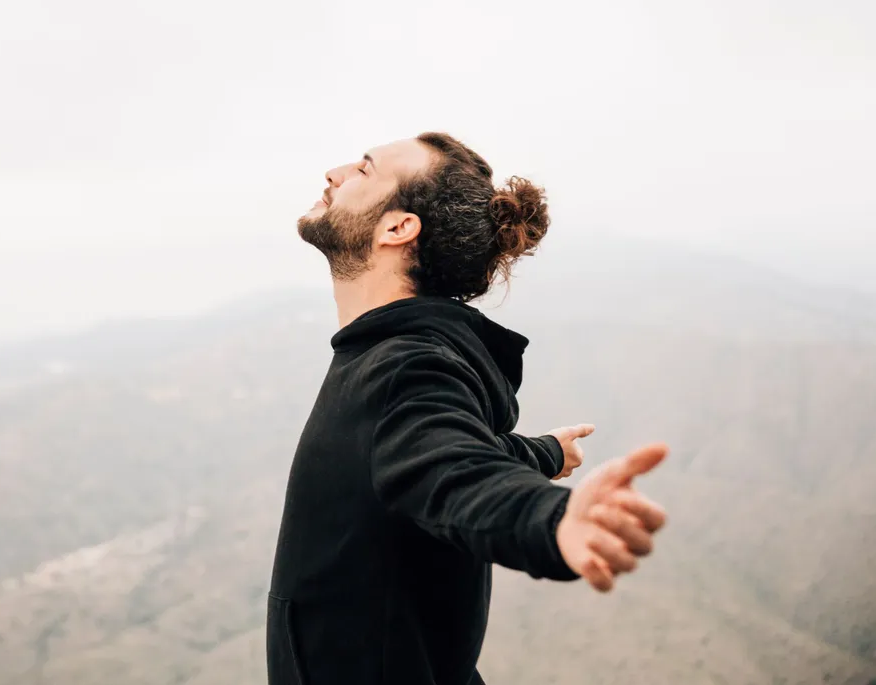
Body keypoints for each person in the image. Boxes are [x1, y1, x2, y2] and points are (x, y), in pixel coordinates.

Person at [266, 132, 669, 685]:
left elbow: (454, 472)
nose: (334, 172)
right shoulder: (406, 356)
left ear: (398, 227)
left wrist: (551, 520)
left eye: (363, 169)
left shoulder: (401, 368)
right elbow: (428, 451)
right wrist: (541, 452)